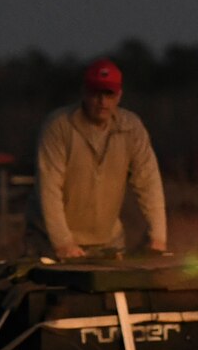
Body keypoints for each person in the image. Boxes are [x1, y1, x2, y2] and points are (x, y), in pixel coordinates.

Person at [24, 58, 169, 259]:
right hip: (50, 241)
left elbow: (149, 181)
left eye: (108, 94)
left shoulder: (131, 128)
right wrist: (63, 243)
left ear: (119, 95)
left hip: (108, 240)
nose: (102, 101)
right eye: (95, 93)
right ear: (84, 92)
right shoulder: (59, 127)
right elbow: (49, 187)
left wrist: (158, 237)